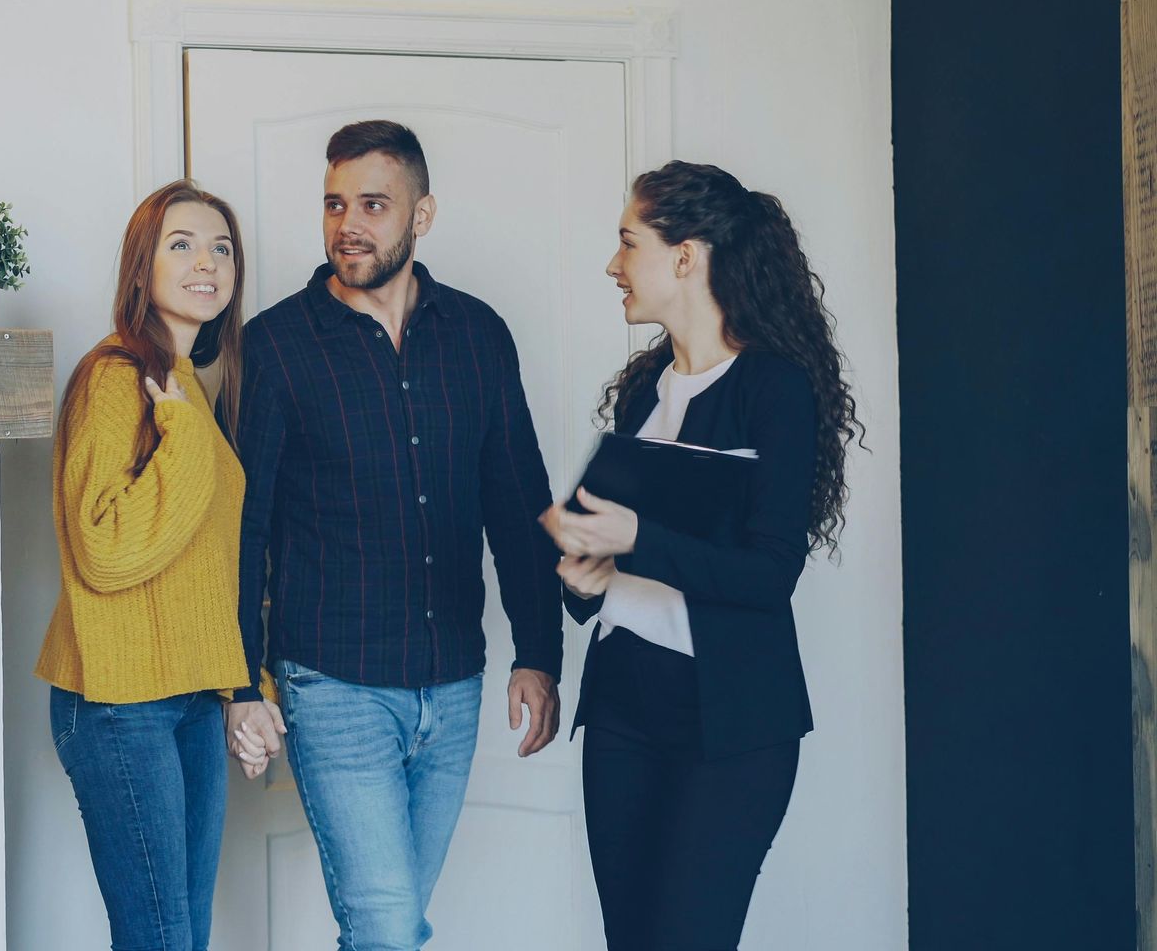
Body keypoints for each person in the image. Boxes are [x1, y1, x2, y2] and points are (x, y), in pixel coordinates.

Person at [229, 120, 565, 950]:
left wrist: (539, 652)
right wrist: (240, 681)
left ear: (422, 215)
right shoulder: (275, 346)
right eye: (335, 203)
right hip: (332, 683)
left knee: (392, 927)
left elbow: (520, 502)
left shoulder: (479, 335)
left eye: (374, 204)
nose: (350, 224)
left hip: (453, 685)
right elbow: (244, 526)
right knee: (386, 929)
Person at [540, 161, 863, 950]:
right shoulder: (642, 390)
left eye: (628, 243)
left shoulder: (774, 389)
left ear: (686, 256)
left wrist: (637, 541)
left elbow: (767, 575)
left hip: (730, 726)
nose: (613, 266)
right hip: (622, 708)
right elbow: (605, 581)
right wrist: (583, 575)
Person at [36, 179, 274, 951]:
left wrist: (245, 689)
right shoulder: (115, 378)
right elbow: (106, 552)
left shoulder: (186, 389)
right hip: (119, 701)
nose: (206, 261)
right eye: (182, 244)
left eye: (222, 248)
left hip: (191, 698)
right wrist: (179, 438)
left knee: (180, 940)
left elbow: (211, 567)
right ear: (141, 269)